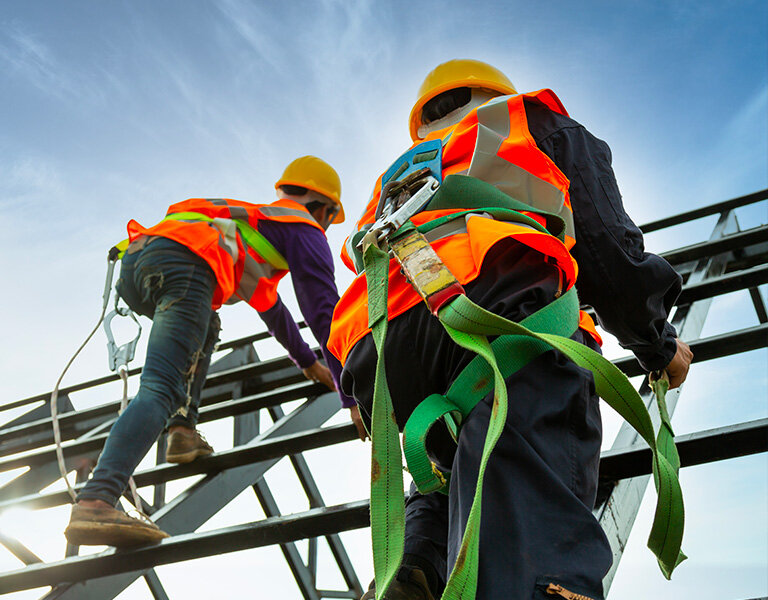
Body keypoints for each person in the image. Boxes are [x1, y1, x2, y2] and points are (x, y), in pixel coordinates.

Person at [327, 60, 693, 599]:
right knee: (526, 507)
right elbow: (605, 246)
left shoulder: (396, 180)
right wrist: (657, 344)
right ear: (495, 92)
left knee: (450, 462)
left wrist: (355, 394)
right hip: (501, 305)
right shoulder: (527, 119)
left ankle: (416, 567)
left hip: (378, 352)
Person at [64, 156, 358, 547]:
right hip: (185, 265)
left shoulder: (252, 229)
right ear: (325, 209)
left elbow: (275, 312)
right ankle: (97, 499)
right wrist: (352, 394)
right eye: (329, 219)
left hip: (139, 263)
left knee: (207, 324)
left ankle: (182, 431)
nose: (326, 227)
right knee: (160, 388)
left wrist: (307, 363)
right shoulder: (303, 227)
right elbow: (324, 314)